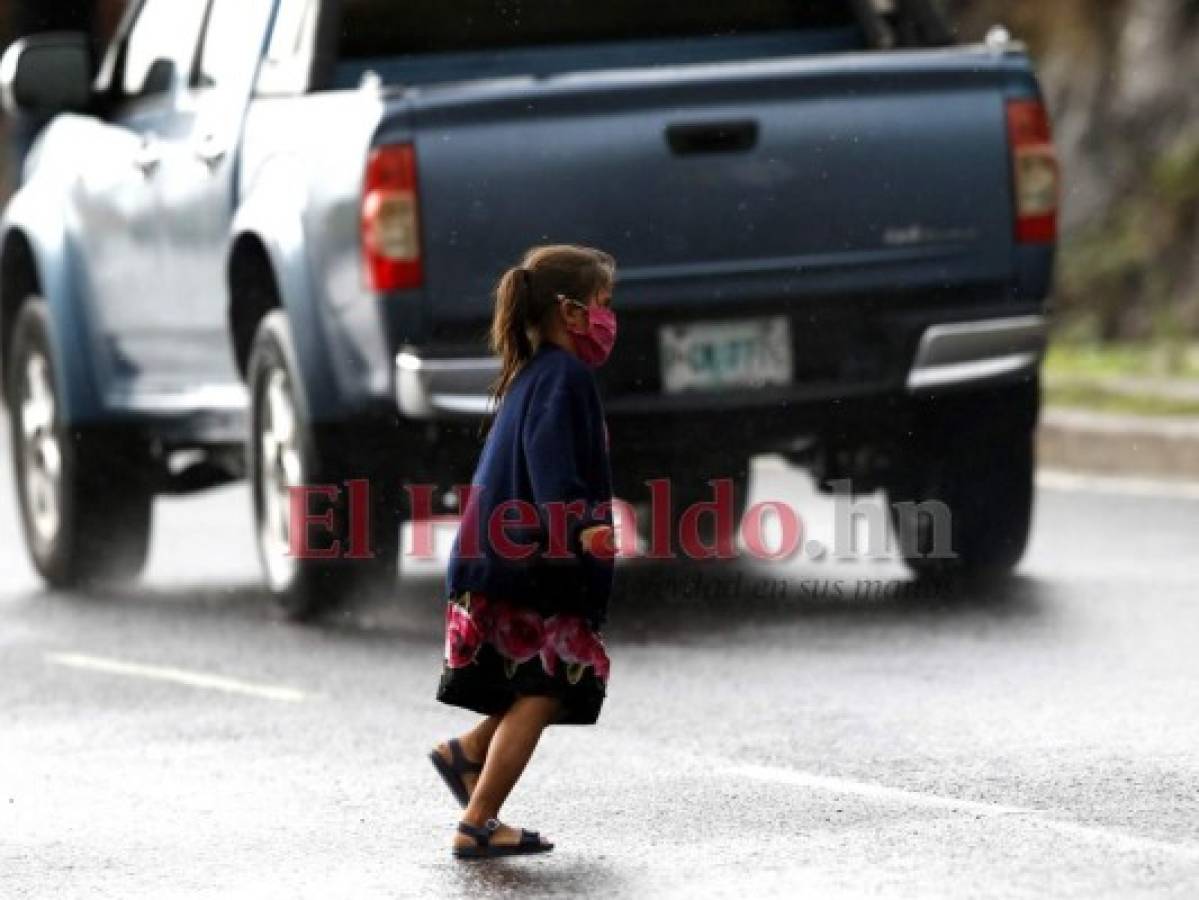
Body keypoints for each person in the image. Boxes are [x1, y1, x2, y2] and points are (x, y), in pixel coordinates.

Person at [428, 244, 619, 859]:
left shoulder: (534, 374)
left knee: (537, 678)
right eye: (602, 304)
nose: (609, 317)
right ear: (570, 311)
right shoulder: (564, 378)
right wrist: (583, 530)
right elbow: (552, 472)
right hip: (526, 564)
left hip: (498, 559)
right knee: (544, 686)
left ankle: (468, 755)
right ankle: (478, 821)